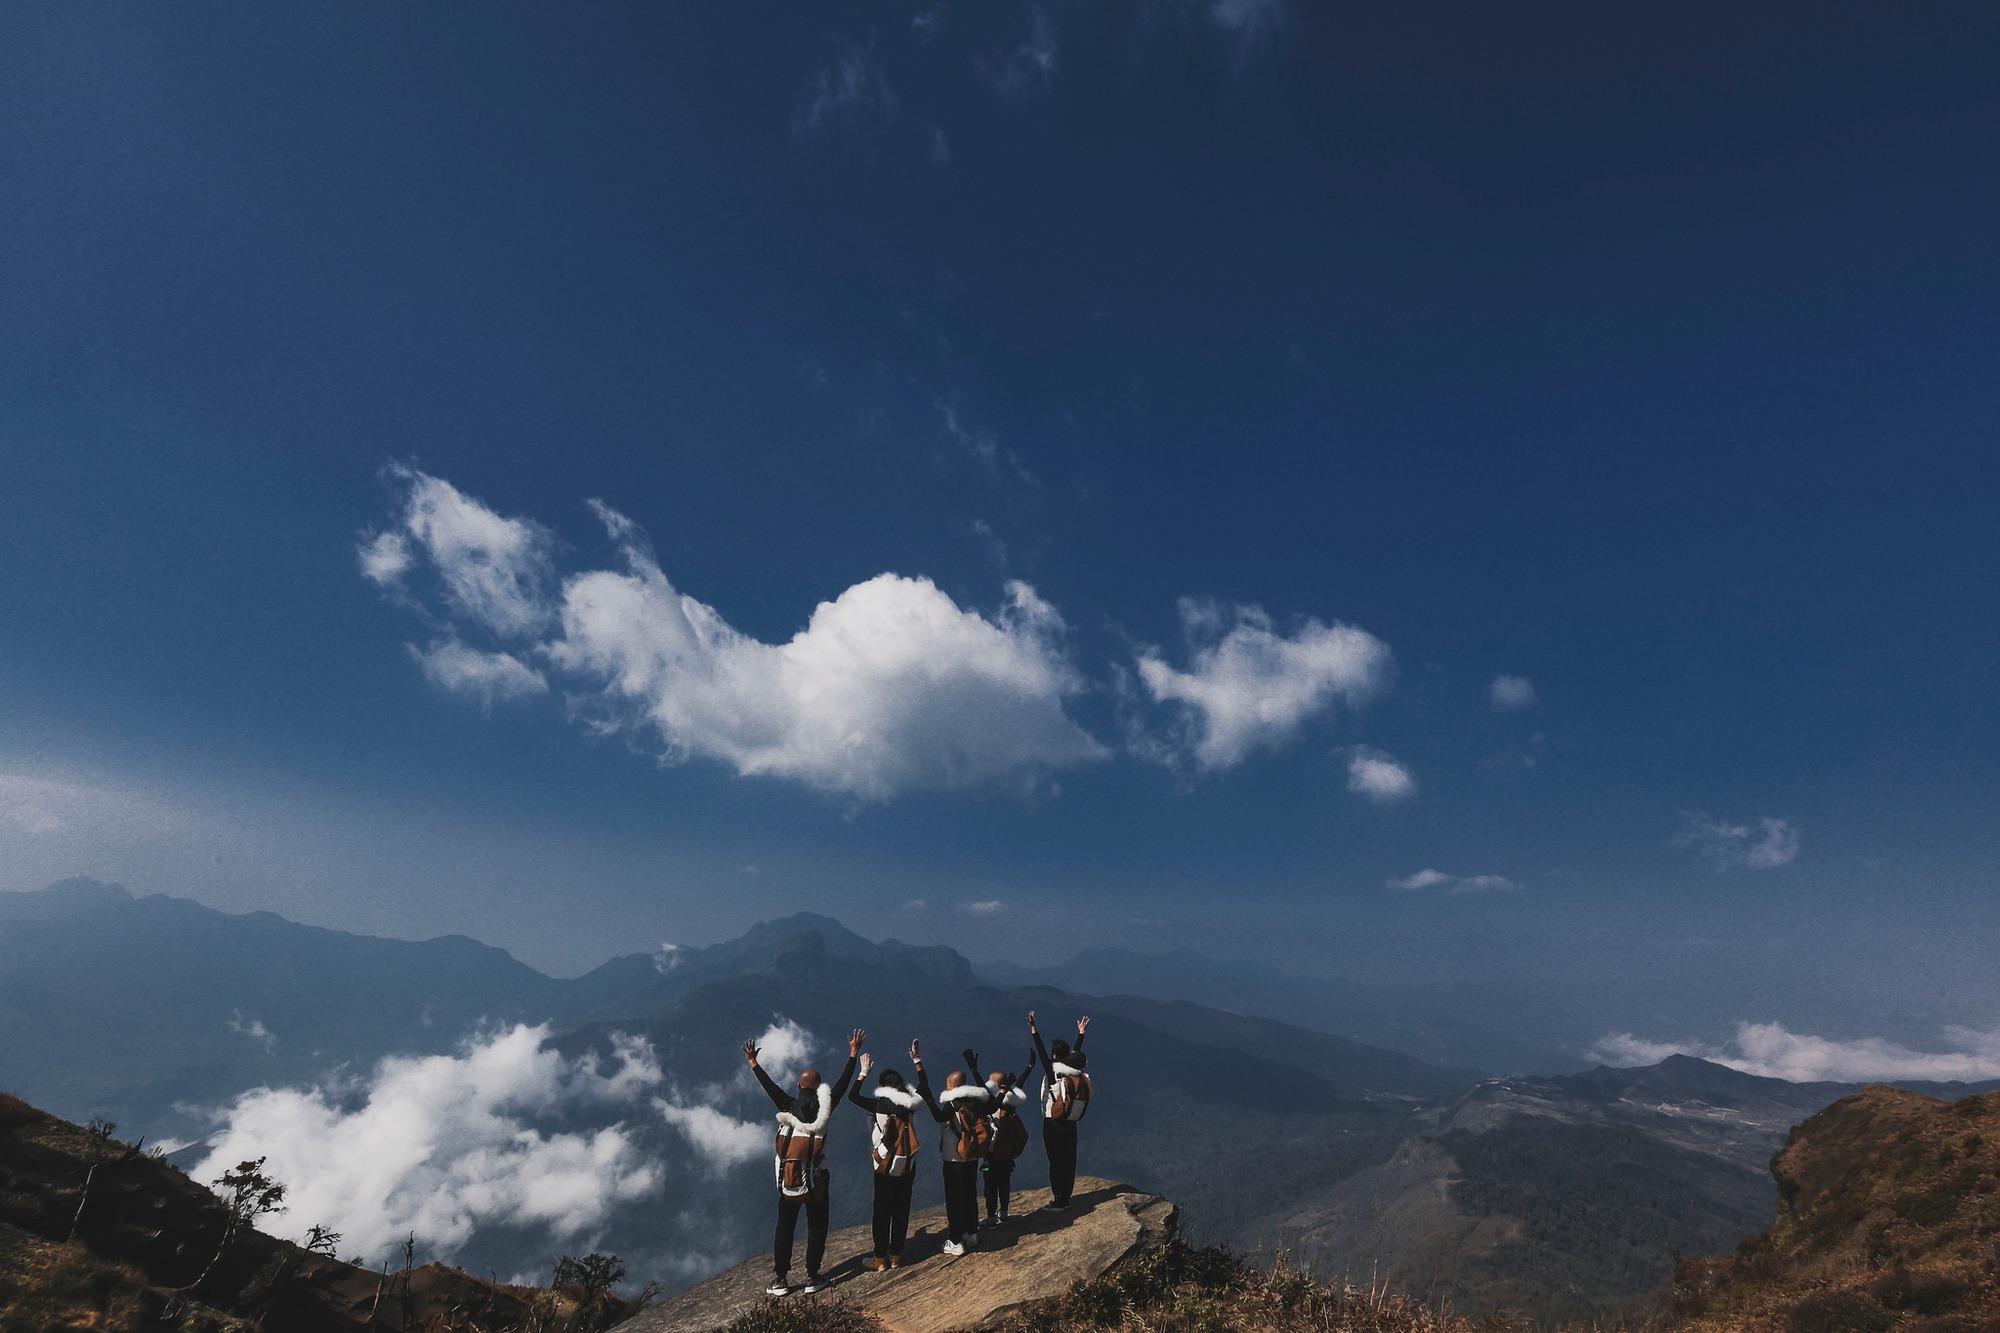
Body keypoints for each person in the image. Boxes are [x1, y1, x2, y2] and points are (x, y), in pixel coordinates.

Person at [745, 1027, 862, 1296]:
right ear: (819, 1089)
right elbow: (843, 1084)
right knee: (817, 1227)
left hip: (789, 1181)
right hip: (817, 1180)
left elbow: (769, 1087)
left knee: (784, 1227)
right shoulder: (825, 1107)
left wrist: (753, 1063)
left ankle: (781, 1280)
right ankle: (812, 1277)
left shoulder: (787, 1105)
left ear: (799, 1087)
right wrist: (853, 1054)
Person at [847, 1040, 926, 1271]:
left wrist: (863, 1073)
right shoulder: (910, 1105)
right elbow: (924, 1086)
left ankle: (879, 1259)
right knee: (901, 1208)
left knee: (881, 1211)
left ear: (882, 1087)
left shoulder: (878, 1105)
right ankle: (896, 1255)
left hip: (883, 1164)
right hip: (907, 1162)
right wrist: (917, 1059)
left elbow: (852, 1096)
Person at [916, 1043, 992, 1255]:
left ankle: (956, 1241)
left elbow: (939, 1117)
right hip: (973, 1155)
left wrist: (929, 1098)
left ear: (952, 1086)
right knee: (970, 1195)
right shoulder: (978, 1102)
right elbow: (992, 1103)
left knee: (954, 1199)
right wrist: (975, 1070)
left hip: (953, 1158)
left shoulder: (952, 1104)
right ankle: (972, 1234)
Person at [1028, 1011, 1090, 1210]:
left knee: (1055, 1160)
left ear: (1055, 1056)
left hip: (1053, 1121)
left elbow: (1041, 1053)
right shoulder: (1074, 1074)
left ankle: (1058, 1198)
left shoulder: (1053, 1072)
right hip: (1070, 1120)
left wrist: (1034, 1030)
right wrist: (1081, 1035)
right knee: (1069, 1158)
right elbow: (1074, 1055)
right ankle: (1067, 1196)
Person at [966, 1048, 1032, 1228]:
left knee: (989, 1185)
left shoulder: (990, 1104)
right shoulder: (1010, 1105)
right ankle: (1004, 1212)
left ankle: (990, 1216)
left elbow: (982, 1088)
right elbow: (1020, 1086)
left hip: (991, 1155)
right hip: (1007, 1154)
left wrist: (974, 1070)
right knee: (1005, 1182)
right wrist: (1029, 1067)